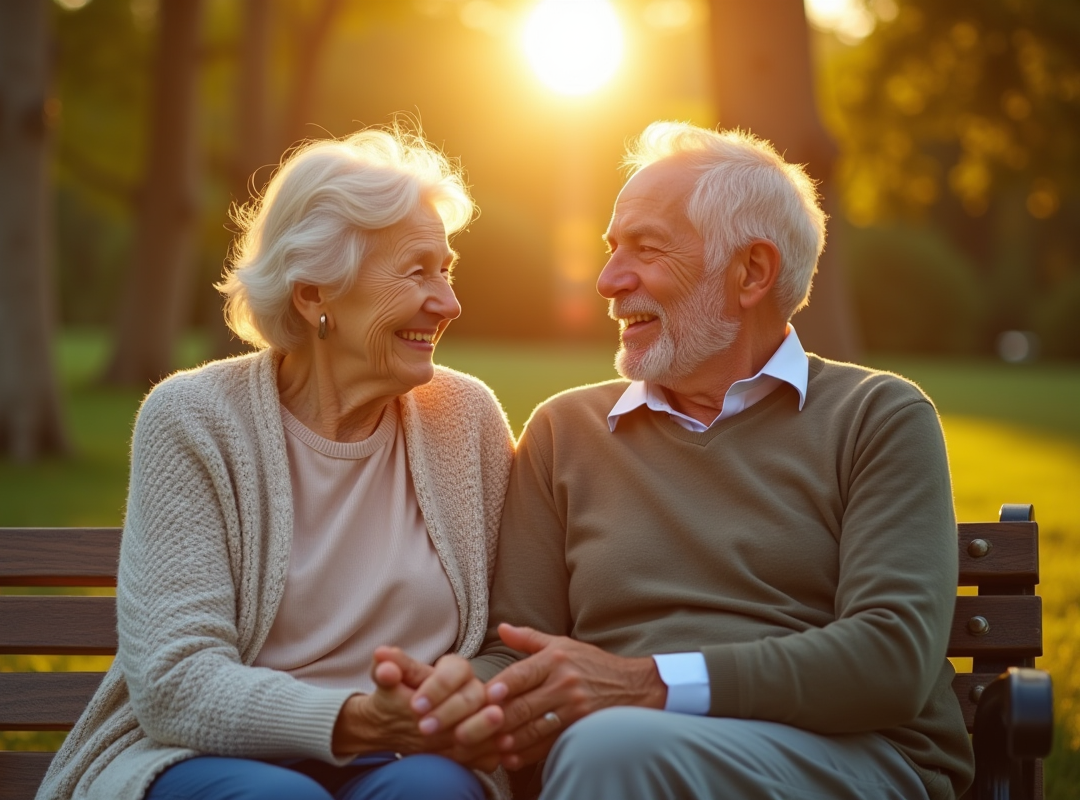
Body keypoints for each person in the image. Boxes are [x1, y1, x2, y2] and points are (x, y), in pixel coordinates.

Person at [399, 122, 973, 799]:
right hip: (616, 757)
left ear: (751, 272)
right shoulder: (565, 431)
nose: (609, 281)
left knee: (611, 747)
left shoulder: (876, 417)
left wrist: (652, 685)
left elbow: (890, 658)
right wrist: (455, 699)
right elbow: (518, 650)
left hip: (851, 760)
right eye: (612, 250)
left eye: (646, 249)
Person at [35, 126, 514, 800]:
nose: (449, 302)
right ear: (314, 293)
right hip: (208, 756)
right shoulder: (193, 419)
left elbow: (505, 635)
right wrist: (352, 721)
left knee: (434, 793)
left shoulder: (467, 420)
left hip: (405, 758)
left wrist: (463, 694)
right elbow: (175, 681)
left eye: (448, 269)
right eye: (417, 271)